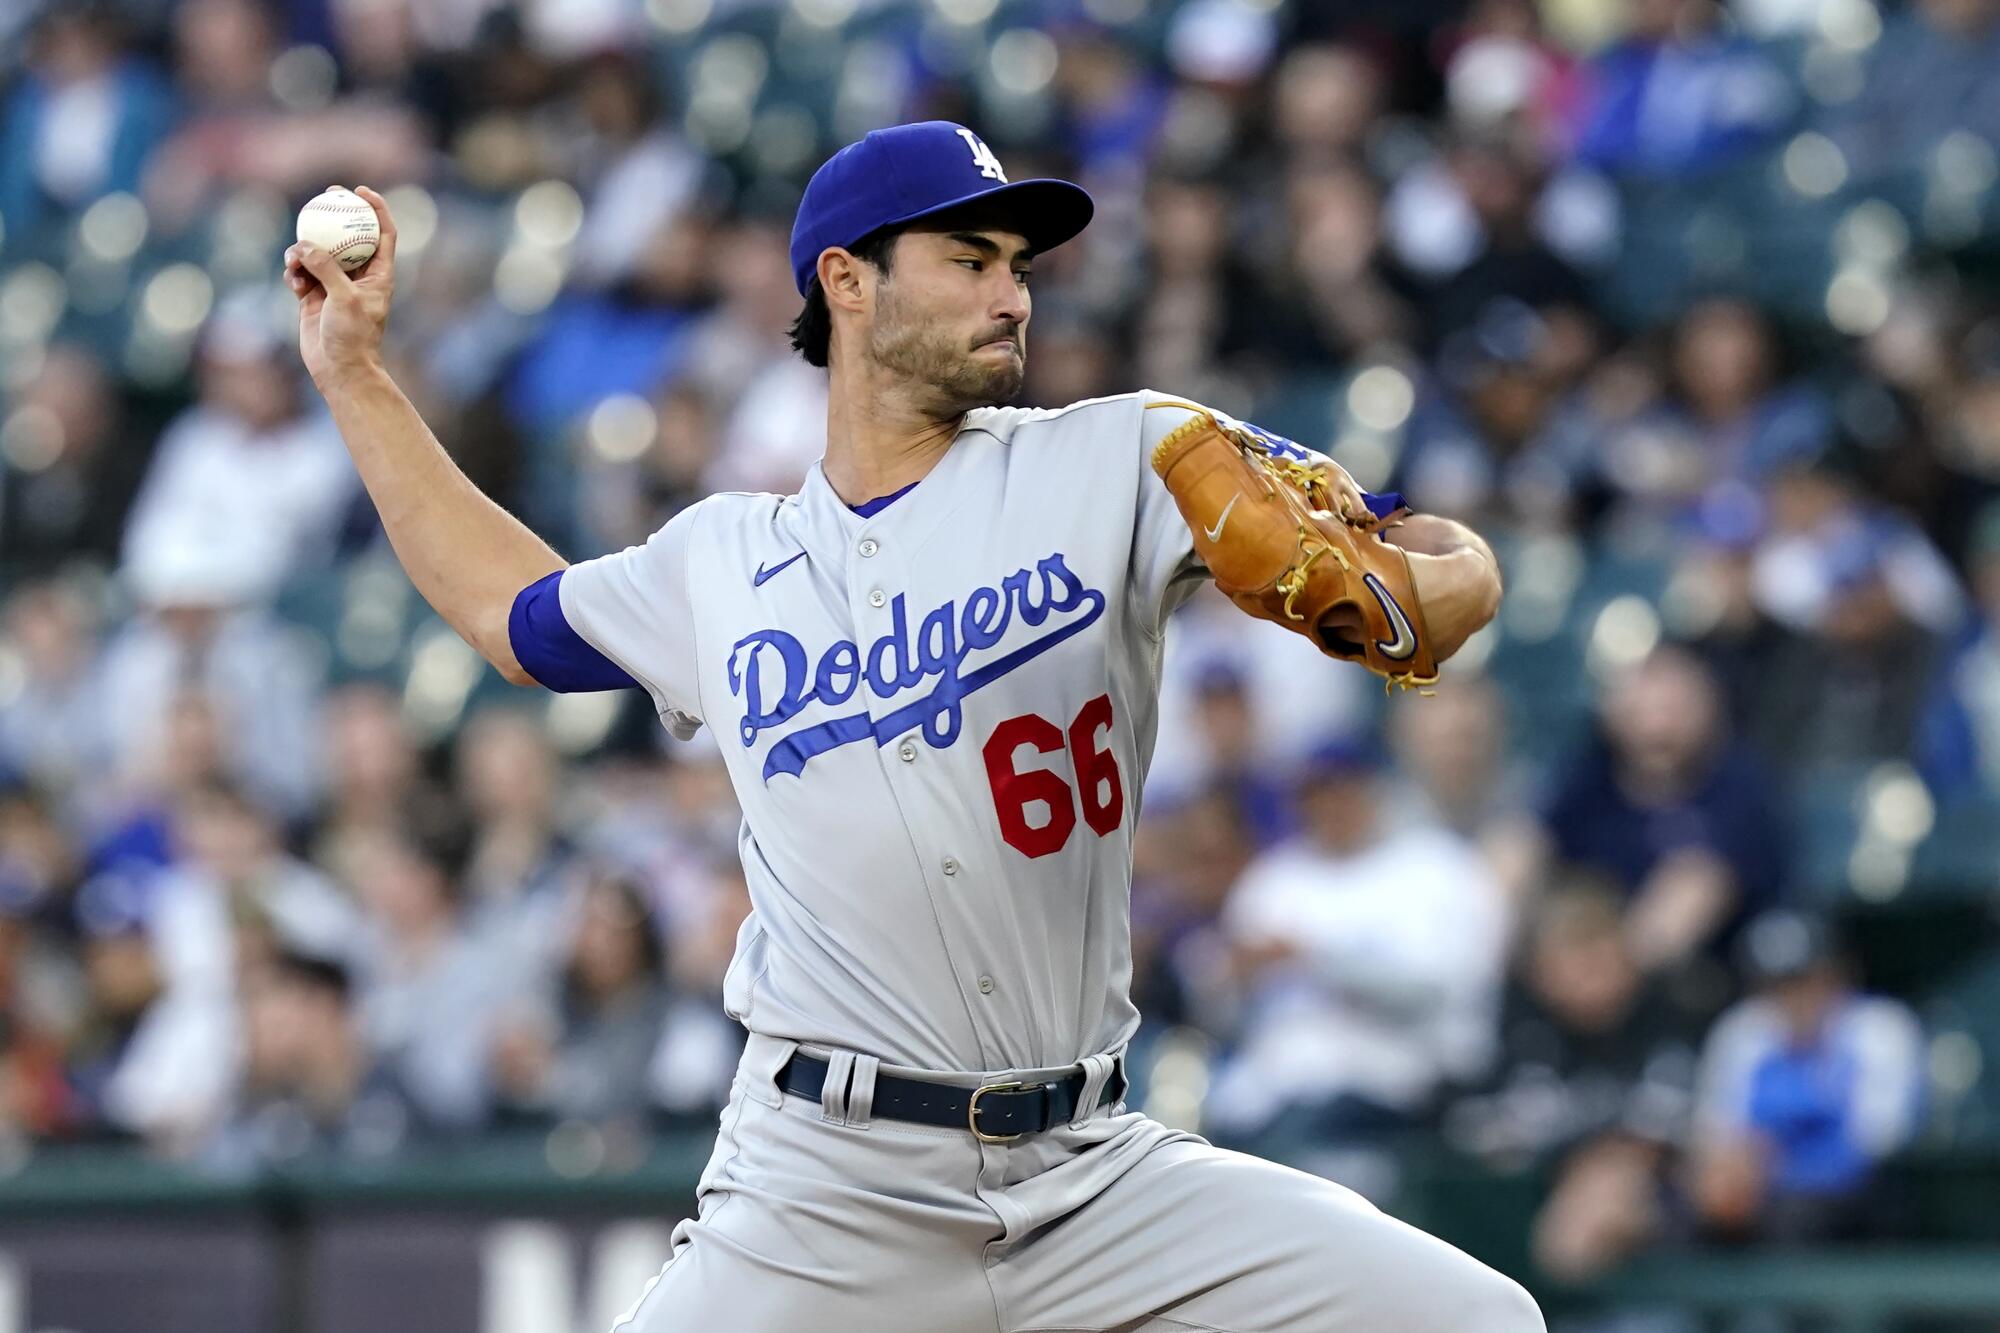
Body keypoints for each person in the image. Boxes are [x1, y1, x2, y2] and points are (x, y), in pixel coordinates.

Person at [283, 121, 1530, 1332]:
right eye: (968, 259)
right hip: (827, 1188)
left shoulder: (1124, 455)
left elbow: (1419, 583)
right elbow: (511, 615)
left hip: (1090, 1174)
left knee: (1477, 1318)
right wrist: (352, 372)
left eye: (1018, 266)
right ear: (847, 281)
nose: (1012, 297)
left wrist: (1449, 576)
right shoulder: (722, 559)